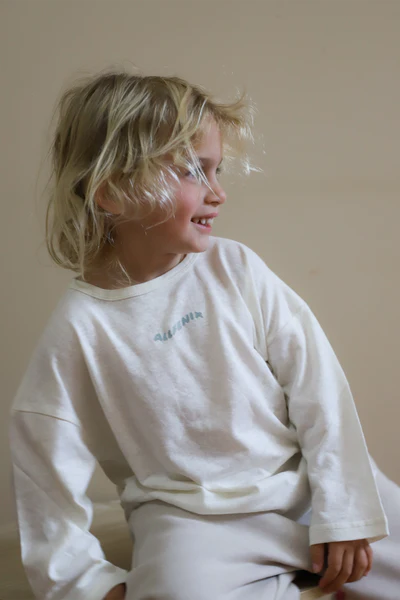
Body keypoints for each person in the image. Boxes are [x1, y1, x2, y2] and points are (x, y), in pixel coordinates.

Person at [8, 69, 393, 600]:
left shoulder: (236, 269)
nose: (218, 193)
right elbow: (43, 468)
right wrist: (85, 585)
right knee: (173, 590)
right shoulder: (81, 328)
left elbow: (318, 386)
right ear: (113, 192)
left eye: (216, 169)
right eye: (193, 171)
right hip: (191, 521)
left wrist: (343, 509)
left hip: (303, 485)